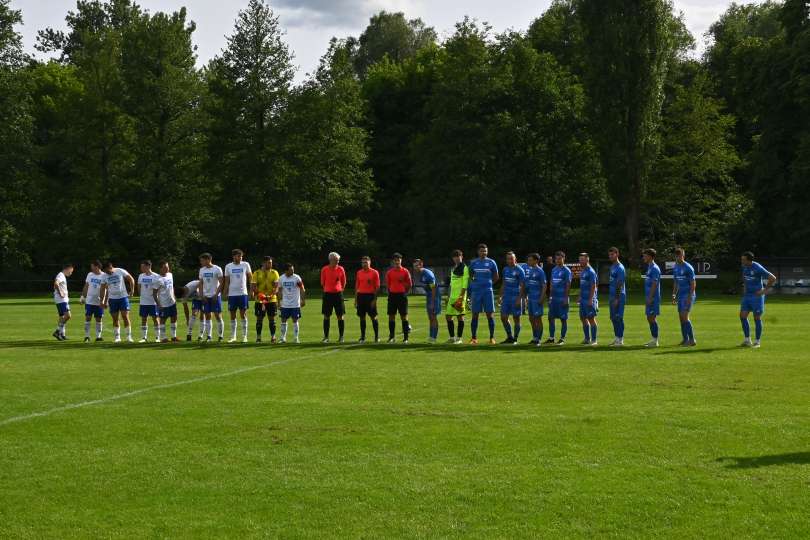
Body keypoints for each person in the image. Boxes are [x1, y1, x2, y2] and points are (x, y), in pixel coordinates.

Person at [740, 251, 777, 348]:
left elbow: (773, 278)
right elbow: (744, 278)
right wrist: (744, 288)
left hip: (757, 296)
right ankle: (747, 340)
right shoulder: (744, 267)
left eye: (743, 259)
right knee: (742, 316)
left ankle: (757, 342)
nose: (742, 261)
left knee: (756, 318)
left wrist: (764, 290)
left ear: (749, 260)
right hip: (747, 295)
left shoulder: (758, 268)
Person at [469, 244, 499, 345]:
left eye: (485, 251)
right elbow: (470, 275)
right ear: (478, 252)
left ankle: (492, 338)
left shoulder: (491, 262)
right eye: (482, 251)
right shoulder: (473, 263)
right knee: (475, 315)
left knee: (490, 314)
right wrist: (475, 283)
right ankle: (474, 338)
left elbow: (496, 277)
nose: (484, 253)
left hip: (487, 291)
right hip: (476, 292)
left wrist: (489, 284)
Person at [223, 249, 253, 343]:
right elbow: (227, 281)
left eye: (241, 256)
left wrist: (251, 290)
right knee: (232, 315)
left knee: (243, 314)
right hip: (232, 294)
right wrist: (225, 292)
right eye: (238, 256)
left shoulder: (246, 264)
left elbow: (250, 278)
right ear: (233, 256)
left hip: (243, 293)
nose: (240, 258)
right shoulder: (228, 266)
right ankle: (233, 336)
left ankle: (244, 336)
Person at [103, 261, 135, 343]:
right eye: (105, 272)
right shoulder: (104, 276)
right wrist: (103, 301)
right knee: (115, 318)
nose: (107, 273)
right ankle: (117, 337)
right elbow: (103, 288)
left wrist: (132, 291)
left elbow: (131, 279)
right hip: (112, 299)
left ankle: (129, 337)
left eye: (108, 271)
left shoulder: (120, 271)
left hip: (123, 297)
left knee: (125, 316)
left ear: (111, 267)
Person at [545, 251, 572, 345]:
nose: (558, 260)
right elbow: (551, 283)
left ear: (563, 259)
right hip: (554, 298)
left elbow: (568, 285)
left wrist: (566, 298)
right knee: (550, 317)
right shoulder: (554, 270)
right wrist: (550, 296)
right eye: (556, 259)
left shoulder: (566, 270)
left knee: (563, 319)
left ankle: (562, 338)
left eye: (560, 258)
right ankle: (551, 338)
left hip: (562, 297)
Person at [499, 251, 526, 345]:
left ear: (515, 259)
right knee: (503, 317)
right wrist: (500, 296)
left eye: (511, 258)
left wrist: (520, 299)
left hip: (516, 296)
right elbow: (503, 283)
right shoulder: (505, 269)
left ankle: (515, 338)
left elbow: (523, 286)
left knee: (516, 318)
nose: (509, 260)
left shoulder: (520, 270)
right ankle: (509, 336)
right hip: (506, 296)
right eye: (508, 259)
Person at [672, 246, 697, 347]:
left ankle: (692, 339)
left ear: (683, 255)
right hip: (680, 295)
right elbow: (676, 283)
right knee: (681, 318)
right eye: (677, 256)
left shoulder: (688, 267)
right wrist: (674, 294)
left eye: (680, 255)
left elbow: (693, 283)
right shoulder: (676, 267)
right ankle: (685, 339)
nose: (678, 257)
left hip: (688, 295)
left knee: (685, 317)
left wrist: (690, 297)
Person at [251, 256, 280, 343]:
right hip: (259, 300)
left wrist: (270, 296)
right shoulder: (256, 273)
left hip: (272, 300)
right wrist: (261, 296)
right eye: (268, 262)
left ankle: (273, 336)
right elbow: (253, 286)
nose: (270, 264)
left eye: (271, 262)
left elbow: (276, 286)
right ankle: (258, 337)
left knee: (272, 319)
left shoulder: (274, 272)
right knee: (259, 319)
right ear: (263, 263)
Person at [320, 252, 347, 343]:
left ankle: (341, 337)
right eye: (336, 260)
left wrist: (339, 289)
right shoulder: (324, 269)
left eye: (338, 260)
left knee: (340, 316)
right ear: (330, 260)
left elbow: (343, 282)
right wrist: (328, 289)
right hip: (327, 295)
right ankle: (326, 337)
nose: (337, 262)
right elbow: (322, 282)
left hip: (338, 295)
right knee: (326, 316)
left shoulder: (341, 269)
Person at [197, 253, 224, 342]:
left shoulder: (217, 269)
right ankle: (209, 336)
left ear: (208, 260)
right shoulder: (202, 270)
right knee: (207, 315)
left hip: (215, 296)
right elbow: (200, 283)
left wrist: (216, 294)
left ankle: (220, 335)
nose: (201, 262)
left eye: (202, 260)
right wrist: (201, 295)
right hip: (206, 296)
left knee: (217, 315)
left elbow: (221, 282)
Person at [385, 253, 412, 343]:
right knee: (391, 316)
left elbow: (409, 284)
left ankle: (406, 338)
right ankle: (392, 337)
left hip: (402, 296)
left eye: (398, 260)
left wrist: (404, 292)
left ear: (401, 260)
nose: (397, 261)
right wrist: (391, 292)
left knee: (404, 317)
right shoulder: (389, 272)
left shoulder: (405, 271)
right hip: (392, 296)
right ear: (393, 261)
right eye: (395, 260)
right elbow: (388, 285)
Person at [413, 259, 441, 343]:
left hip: (434, 296)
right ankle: (431, 336)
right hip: (429, 296)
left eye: (417, 265)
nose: (415, 267)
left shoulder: (428, 274)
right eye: (414, 266)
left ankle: (434, 338)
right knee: (430, 318)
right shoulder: (420, 274)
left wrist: (432, 302)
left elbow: (433, 289)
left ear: (421, 265)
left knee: (433, 317)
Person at [444, 249, 469, 344]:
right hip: (452, 297)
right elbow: (451, 284)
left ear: (461, 257)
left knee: (460, 317)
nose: (456, 258)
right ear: (453, 258)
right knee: (448, 317)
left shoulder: (465, 268)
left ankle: (459, 338)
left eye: (458, 256)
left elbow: (465, 284)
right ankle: (452, 338)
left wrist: (461, 297)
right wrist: (448, 296)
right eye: (455, 257)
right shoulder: (453, 268)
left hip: (460, 296)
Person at [355, 256, 381, 343]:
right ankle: (362, 337)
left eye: (366, 262)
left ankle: (377, 337)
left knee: (373, 317)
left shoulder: (374, 272)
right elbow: (357, 286)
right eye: (363, 262)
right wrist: (355, 300)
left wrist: (374, 300)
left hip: (370, 297)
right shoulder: (359, 272)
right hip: (361, 297)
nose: (364, 264)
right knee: (362, 317)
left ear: (370, 263)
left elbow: (377, 287)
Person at [80, 260, 107, 343]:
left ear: (97, 266)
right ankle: (87, 336)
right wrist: (82, 297)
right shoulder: (90, 275)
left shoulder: (104, 276)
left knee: (99, 319)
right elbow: (86, 286)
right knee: (88, 318)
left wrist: (105, 301)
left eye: (92, 266)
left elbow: (106, 288)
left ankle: (98, 336)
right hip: (89, 301)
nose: (91, 268)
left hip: (99, 302)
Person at [278, 263, 305, 344]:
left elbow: (302, 289)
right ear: (286, 271)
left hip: (295, 304)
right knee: (283, 320)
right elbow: (279, 291)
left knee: (295, 320)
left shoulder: (297, 278)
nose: (293, 271)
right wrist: (279, 302)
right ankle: (283, 338)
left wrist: (303, 300)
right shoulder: (281, 278)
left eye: (293, 269)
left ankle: (296, 338)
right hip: (285, 304)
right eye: (291, 270)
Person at [524, 253, 547, 346]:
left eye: (530, 260)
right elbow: (528, 285)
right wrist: (526, 297)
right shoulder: (530, 270)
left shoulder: (540, 271)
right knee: (531, 318)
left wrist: (541, 298)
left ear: (536, 261)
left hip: (537, 298)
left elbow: (544, 285)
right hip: (531, 298)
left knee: (538, 319)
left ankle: (539, 339)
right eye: (528, 260)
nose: (528, 261)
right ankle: (534, 337)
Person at [136, 260, 161, 343]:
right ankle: (144, 337)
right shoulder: (141, 276)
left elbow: (159, 288)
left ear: (148, 266)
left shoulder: (156, 276)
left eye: (143, 267)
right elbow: (139, 287)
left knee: (155, 319)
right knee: (144, 319)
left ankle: (157, 337)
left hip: (153, 302)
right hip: (143, 302)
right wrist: (141, 296)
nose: (141, 268)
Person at [153, 261, 178, 343]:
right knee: (163, 320)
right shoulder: (157, 279)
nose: (167, 269)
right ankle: (163, 338)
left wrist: (174, 296)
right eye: (165, 267)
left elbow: (172, 287)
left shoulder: (170, 275)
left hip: (172, 302)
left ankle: (174, 337)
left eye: (167, 267)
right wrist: (158, 304)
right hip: (163, 303)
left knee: (174, 318)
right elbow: (154, 293)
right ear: (160, 268)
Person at [578, 253, 599, 346]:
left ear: (587, 260)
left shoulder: (591, 271)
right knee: (582, 318)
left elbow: (593, 286)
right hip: (583, 299)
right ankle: (587, 338)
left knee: (591, 318)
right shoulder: (583, 271)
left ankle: (594, 340)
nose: (580, 261)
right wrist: (580, 295)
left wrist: (591, 299)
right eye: (580, 259)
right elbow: (582, 285)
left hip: (589, 299)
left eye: (582, 259)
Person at [642, 249, 662, 348]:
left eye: (645, 256)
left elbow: (655, 284)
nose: (643, 257)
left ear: (650, 256)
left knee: (652, 318)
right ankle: (654, 339)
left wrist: (650, 297)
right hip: (649, 297)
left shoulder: (655, 268)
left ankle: (655, 340)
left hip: (653, 298)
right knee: (649, 318)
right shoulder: (649, 267)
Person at [608, 247, 627, 347]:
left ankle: (620, 339)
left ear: (617, 254)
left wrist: (616, 298)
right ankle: (616, 338)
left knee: (618, 317)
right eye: (610, 255)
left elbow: (620, 284)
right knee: (613, 318)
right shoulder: (612, 267)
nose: (610, 256)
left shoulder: (620, 268)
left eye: (612, 254)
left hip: (619, 296)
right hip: (612, 296)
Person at [52, 263, 74, 340]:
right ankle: (57, 331)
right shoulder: (61, 275)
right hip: (61, 300)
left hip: (60, 300)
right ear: (67, 269)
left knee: (62, 317)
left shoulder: (61, 275)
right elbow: (56, 283)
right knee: (68, 316)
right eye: (70, 271)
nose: (71, 273)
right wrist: (61, 292)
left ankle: (61, 334)